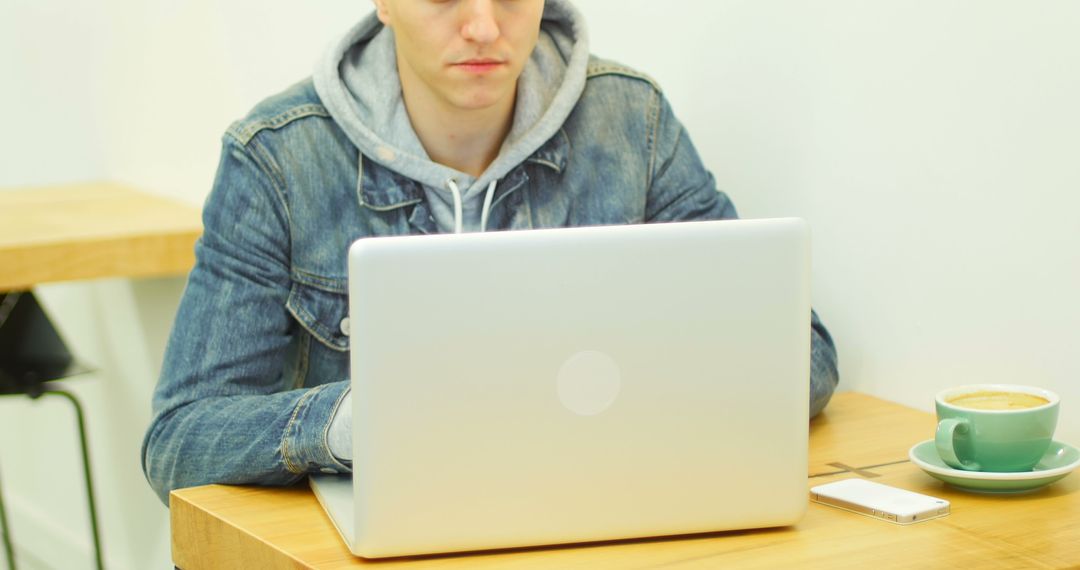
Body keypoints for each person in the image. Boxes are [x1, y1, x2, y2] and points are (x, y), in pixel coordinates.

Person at [141, 0, 839, 505]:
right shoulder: (279, 158)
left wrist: (637, 395)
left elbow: (802, 357)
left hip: (604, 514)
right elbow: (180, 441)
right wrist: (363, 422)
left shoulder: (633, 123)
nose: (482, 25)